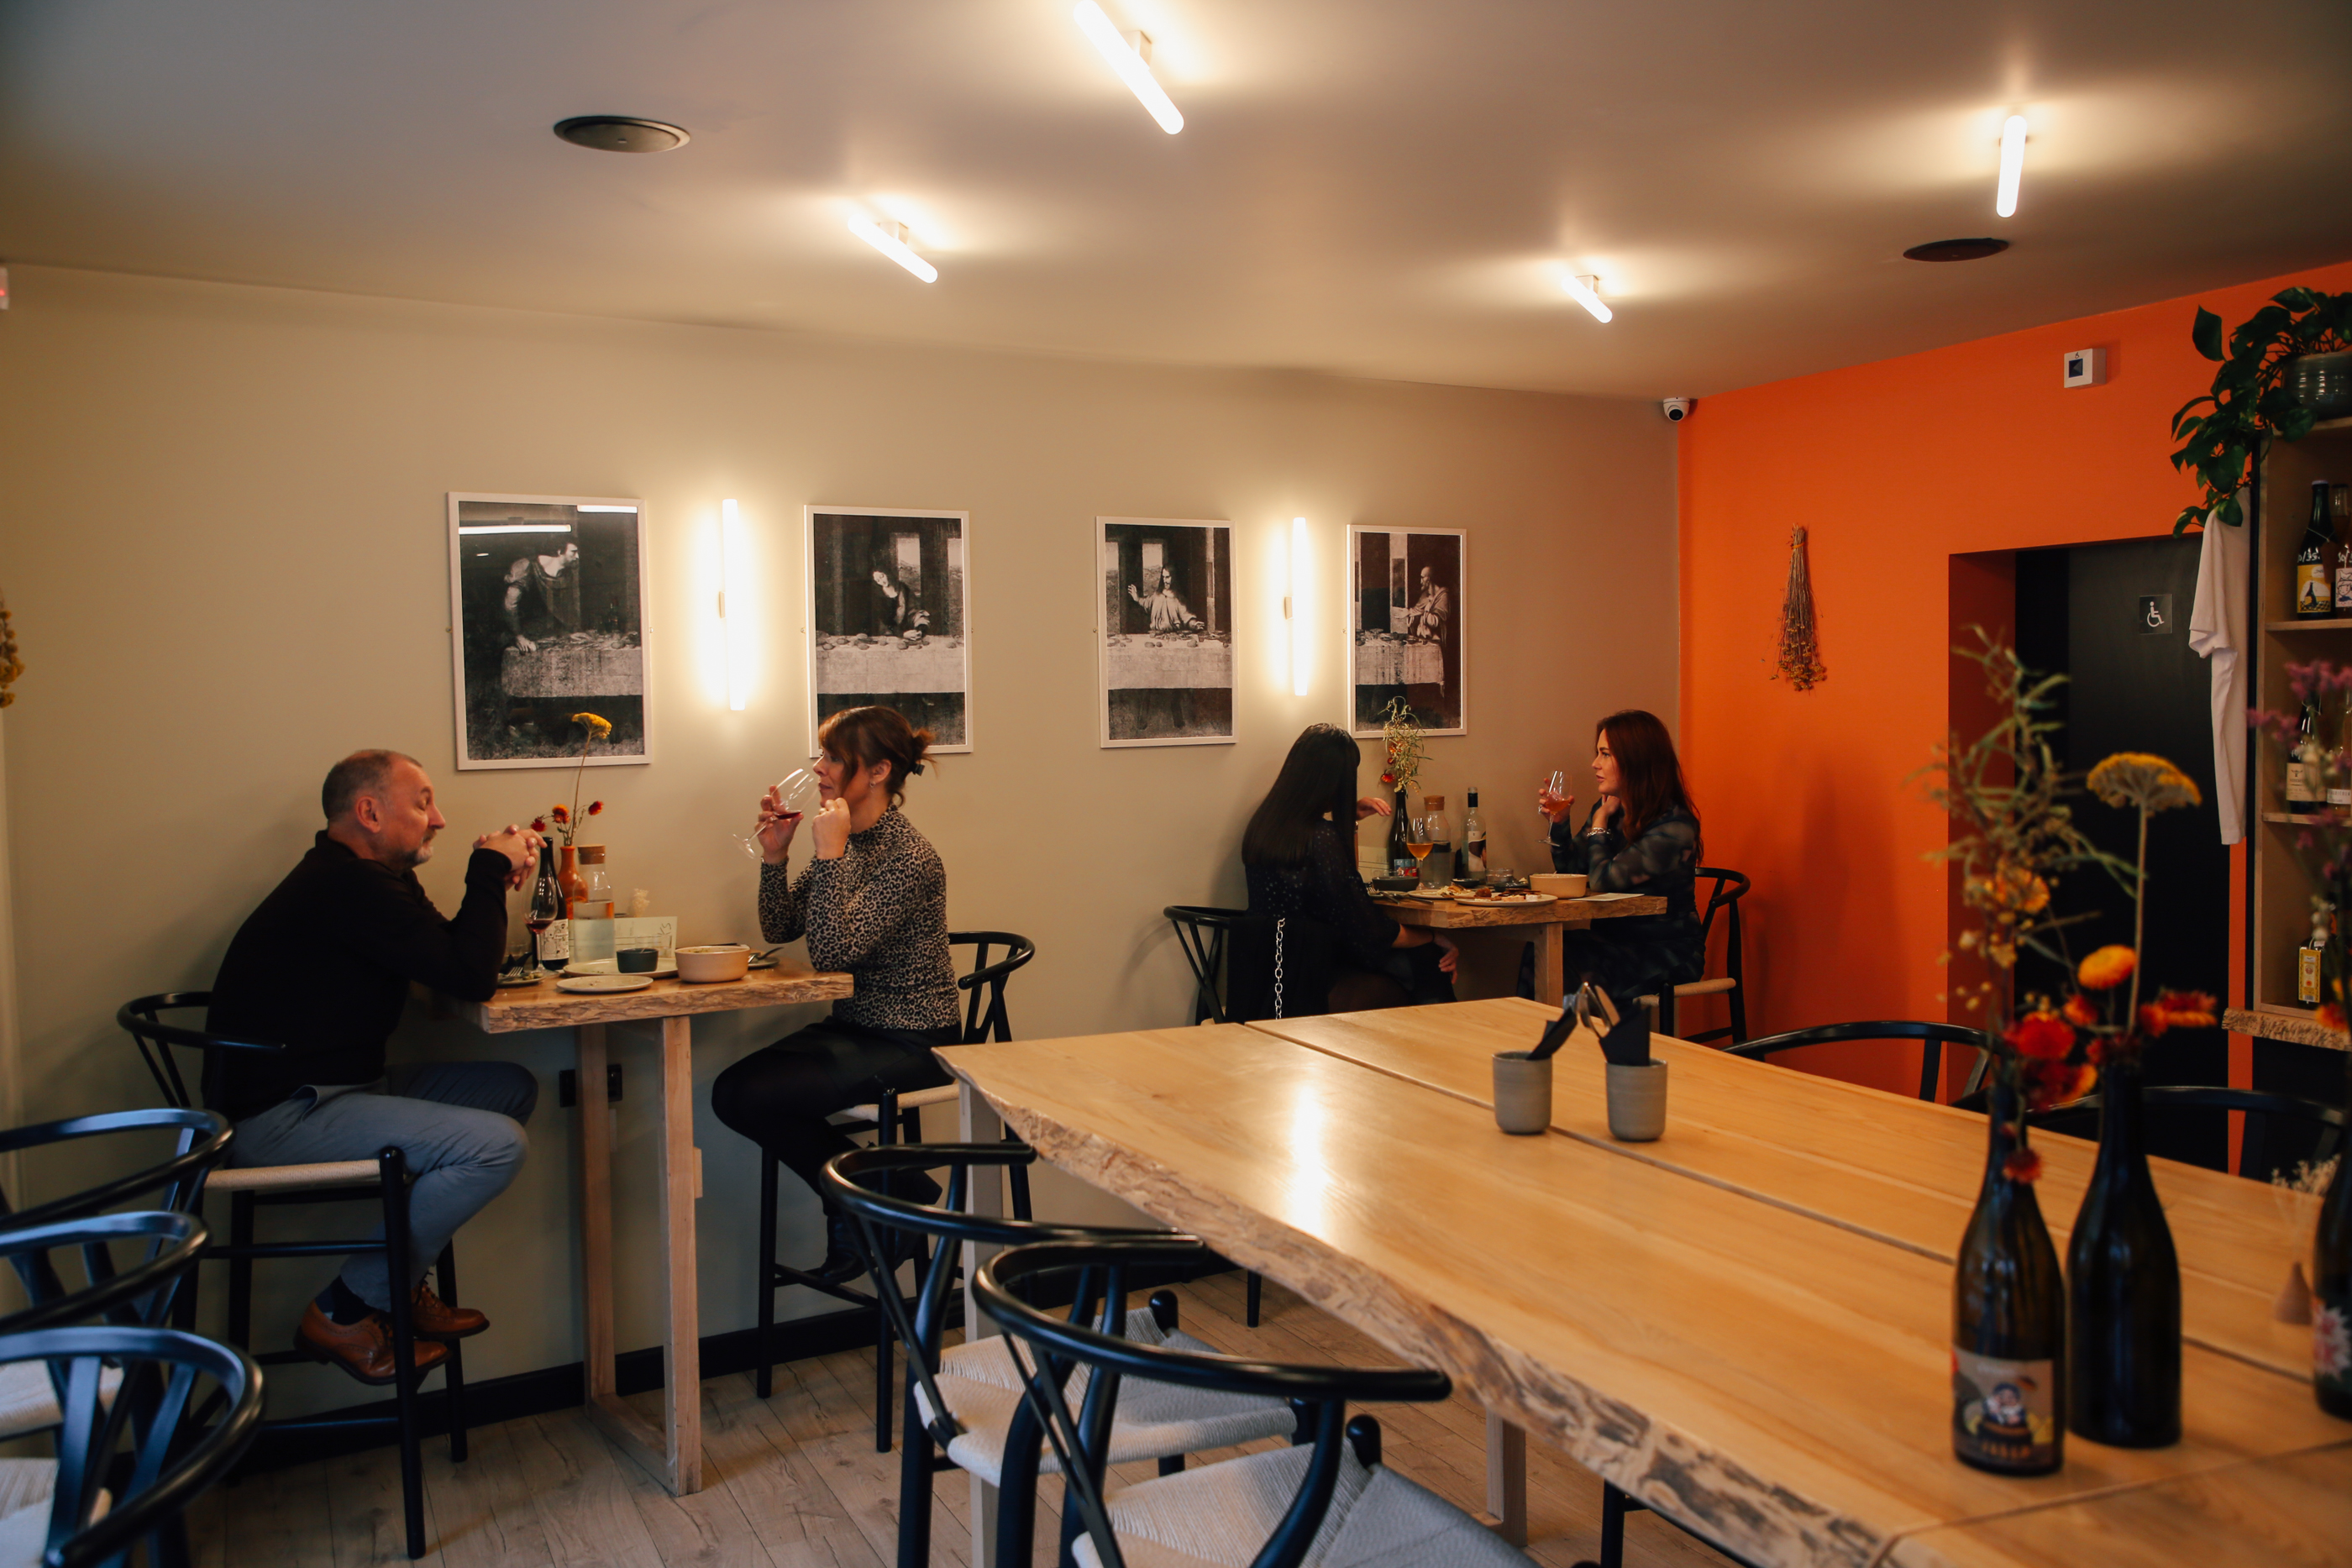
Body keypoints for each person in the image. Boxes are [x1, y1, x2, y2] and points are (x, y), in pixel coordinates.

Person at [207, 751, 543, 1386]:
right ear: (368, 811)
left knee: (510, 1089)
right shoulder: (347, 885)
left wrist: (491, 881)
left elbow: (453, 961)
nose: (439, 818)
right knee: (497, 1146)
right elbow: (471, 974)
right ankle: (347, 1306)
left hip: (335, 1090)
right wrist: (490, 865)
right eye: (422, 802)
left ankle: (396, 1284)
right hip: (282, 1114)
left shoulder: (369, 880)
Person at [711, 705, 958, 1282]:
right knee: (734, 1092)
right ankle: (890, 1189)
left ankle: (868, 1208)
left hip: (913, 1035)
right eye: (820, 755)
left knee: (752, 1097)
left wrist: (828, 852)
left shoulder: (909, 857)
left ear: (877, 771)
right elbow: (780, 927)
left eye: (833, 757)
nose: (819, 768)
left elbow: (830, 954)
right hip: (856, 1027)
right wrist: (776, 855)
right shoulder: (847, 836)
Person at [1242, 724, 1457, 1013]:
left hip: (1272, 975)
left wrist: (1348, 818)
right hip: (1314, 979)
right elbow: (1367, 930)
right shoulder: (1320, 837)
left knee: (1419, 960)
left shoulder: (1263, 827)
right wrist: (1434, 936)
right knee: (1427, 959)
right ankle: (1441, 1046)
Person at [1536, 709, 1704, 1009]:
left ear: (1635, 760)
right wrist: (1560, 824)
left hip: (1665, 951)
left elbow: (1602, 881)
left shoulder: (1674, 826)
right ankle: (1539, 1047)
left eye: (1605, 754)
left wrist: (1599, 820)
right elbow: (1572, 872)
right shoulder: (1614, 813)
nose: (1595, 764)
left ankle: (1582, 1050)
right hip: (1615, 942)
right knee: (1543, 953)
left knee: (1576, 965)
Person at [1127, 567, 1204, 635]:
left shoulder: (1178, 599)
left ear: (1173, 578)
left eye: (1167, 577)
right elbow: (1146, 602)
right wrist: (1137, 598)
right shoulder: (1157, 595)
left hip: (1172, 636)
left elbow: (1187, 617)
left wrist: (1194, 624)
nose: (1165, 581)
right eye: (1163, 577)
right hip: (1154, 634)